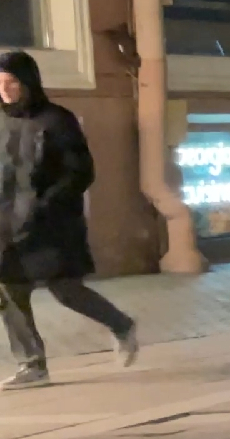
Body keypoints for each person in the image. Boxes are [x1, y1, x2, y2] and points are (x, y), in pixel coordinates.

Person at [0, 51, 136, 389]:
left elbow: (80, 172)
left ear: (28, 82)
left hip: (50, 225)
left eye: (12, 82)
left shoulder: (57, 120)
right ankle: (32, 364)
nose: (5, 90)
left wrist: (46, 205)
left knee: (65, 289)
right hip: (8, 225)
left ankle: (121, 324)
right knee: (9, 289)